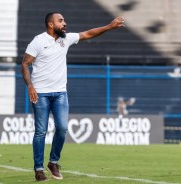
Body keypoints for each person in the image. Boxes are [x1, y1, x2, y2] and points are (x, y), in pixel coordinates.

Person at [21, 12, 125, 181]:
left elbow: (88, 33)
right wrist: (30, 86)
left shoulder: (66, 39)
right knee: (41, 131)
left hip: (60, 93)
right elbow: (25, 64)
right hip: (40, 93)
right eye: (60, 21)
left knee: (62, 128)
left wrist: (109, 26)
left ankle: (53, 162)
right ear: (50, 24)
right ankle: (39, 169)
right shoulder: (38, 41)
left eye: (64, 20)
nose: (64, 23)